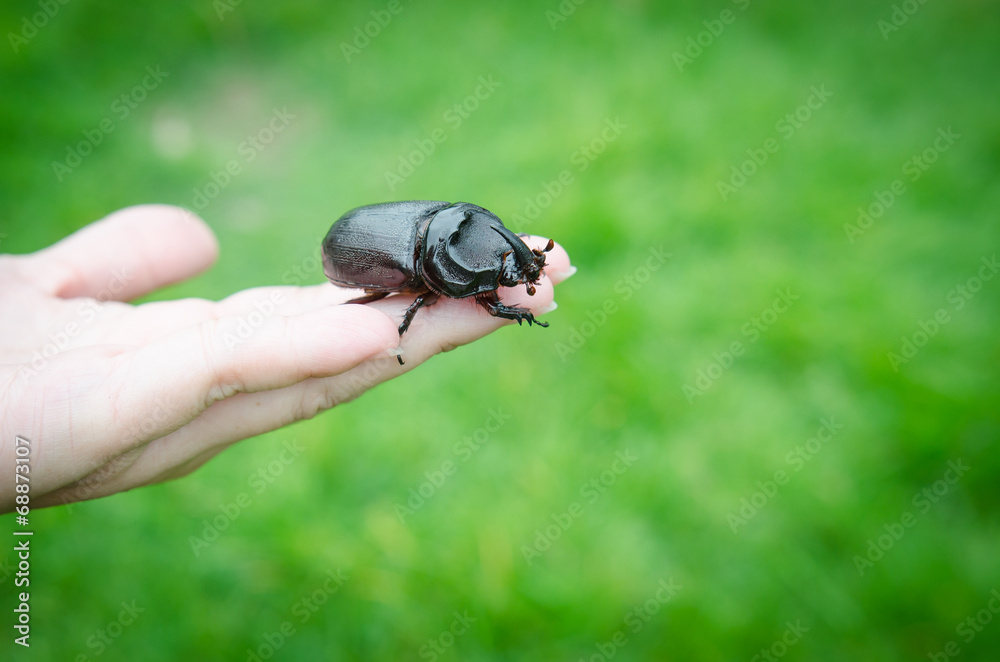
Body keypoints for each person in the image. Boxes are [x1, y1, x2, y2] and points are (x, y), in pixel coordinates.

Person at [0, 205, 573, 512]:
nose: (514, 264)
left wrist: (515, 262)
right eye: (509, 260)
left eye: (515, 256)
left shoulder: (469, 232)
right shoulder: (434, 267)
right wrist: (514, 304)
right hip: (360, 245)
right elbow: (459, 287)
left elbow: (473, 256)